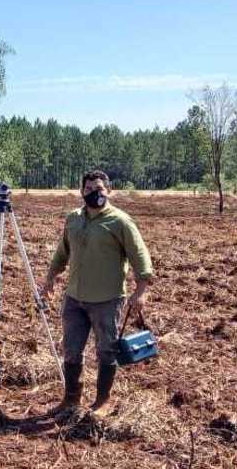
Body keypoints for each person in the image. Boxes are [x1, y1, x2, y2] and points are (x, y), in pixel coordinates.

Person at [40, 170, 154, 417]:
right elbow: (63, 252)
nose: (95, 193)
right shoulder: (73, 219)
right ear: (82, 192)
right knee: (71, 349)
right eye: (90, 189)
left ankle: (103, 400)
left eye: (100, 189)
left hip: (107, 299)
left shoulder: (120, 221)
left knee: (106, 350)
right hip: (74, 298)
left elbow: (140, 255)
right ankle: (71, 399)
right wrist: (50, 277)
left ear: (109, 191)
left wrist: (141, 290)